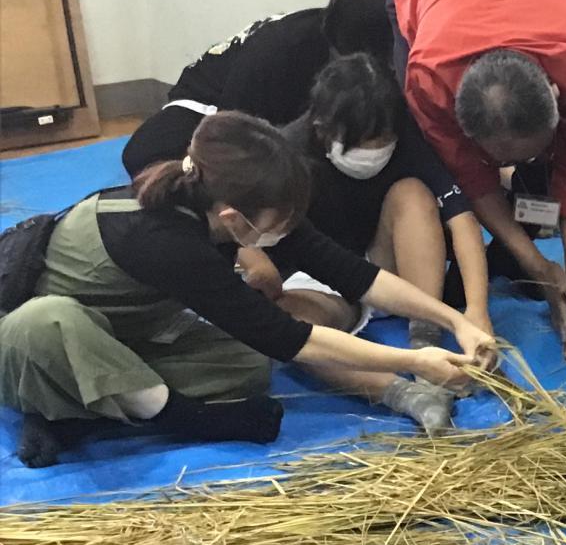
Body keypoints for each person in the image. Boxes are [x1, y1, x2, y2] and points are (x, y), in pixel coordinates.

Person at [1, 113, 496, 469]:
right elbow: (291, 338)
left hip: (125, 333)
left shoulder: (228, 209)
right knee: (48, 322)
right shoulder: (167, 241)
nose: (286, 229)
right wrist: (413, 361)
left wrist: (455, 320)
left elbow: (353, 274)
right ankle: (175, 416)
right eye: (278, 220)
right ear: (234, 219)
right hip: (38, 344)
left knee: (246, 365)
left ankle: (84, 409)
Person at [387, 0, 566, 361]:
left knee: (565, 172)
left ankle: (525, 234)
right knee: (435, 165)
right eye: (501, 159)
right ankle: (494, 253)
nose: (519, 163)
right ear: (464, 123)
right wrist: (539, 267)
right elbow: (471, 179)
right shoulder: (430, 79)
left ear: (556, 99)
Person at [270, 54, 491, 351]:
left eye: (383, 140)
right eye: (362, 143)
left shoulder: (405, 132)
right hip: (321, 279)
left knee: (412, 193)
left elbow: (462, 219)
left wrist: (477, 310)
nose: (374, 150)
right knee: (295, 330)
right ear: (322, 129)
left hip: (384, 266)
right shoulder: (287, 156)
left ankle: (426, 334)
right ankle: (406, 376)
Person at [121, 0, 390, 177]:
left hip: (285, 118)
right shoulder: (277, 50)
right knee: (148, 158)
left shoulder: (387, 52)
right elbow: (231, 129)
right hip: (211, 102)